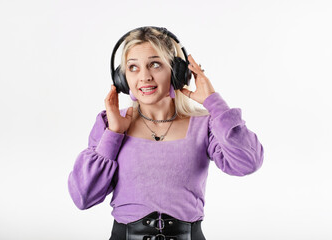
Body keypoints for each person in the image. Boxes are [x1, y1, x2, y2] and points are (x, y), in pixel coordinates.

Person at [67, 26, 264, 240]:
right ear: (122, 79)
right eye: (133, 67)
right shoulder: (110, 123)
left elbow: (248, 162)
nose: (144, 77)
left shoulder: (205, 125)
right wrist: (114, 134)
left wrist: (214, 103)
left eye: (155, 64)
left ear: (177, 72)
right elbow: (83, 197)